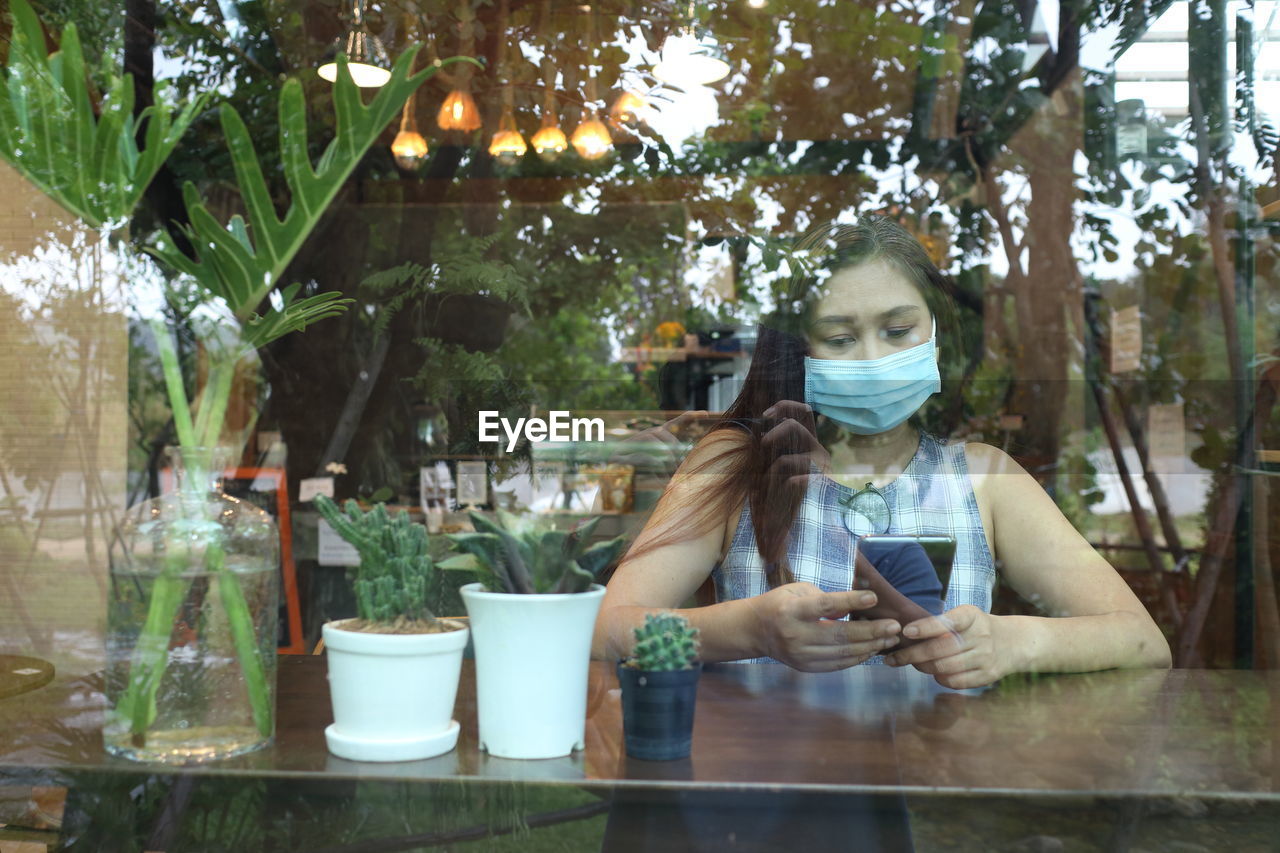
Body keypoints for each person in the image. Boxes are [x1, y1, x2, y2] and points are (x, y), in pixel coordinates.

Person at [593, 216, 1171, 688]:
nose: (872, 359)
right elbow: (603, 632)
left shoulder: (984, 477)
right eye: (840, 338)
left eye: (898, 331)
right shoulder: (735, 467)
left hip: (940, 800)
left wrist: (1014, 642)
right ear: (799, 350)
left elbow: (1142, 642)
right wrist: (746, 631)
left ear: (936, 333)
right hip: (771, 800)